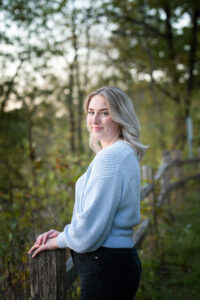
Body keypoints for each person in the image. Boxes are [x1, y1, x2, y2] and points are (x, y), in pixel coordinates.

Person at [28, 86, 148, 300]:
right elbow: (99, 218)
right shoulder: (124, 151)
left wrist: (59, 241)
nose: (95, 119)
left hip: (105, 268)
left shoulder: (110, 158)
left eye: (105, 112)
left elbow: (86, 236)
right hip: (118, 265)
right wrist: (65, 232)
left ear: (120, 116)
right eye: (91, 112)